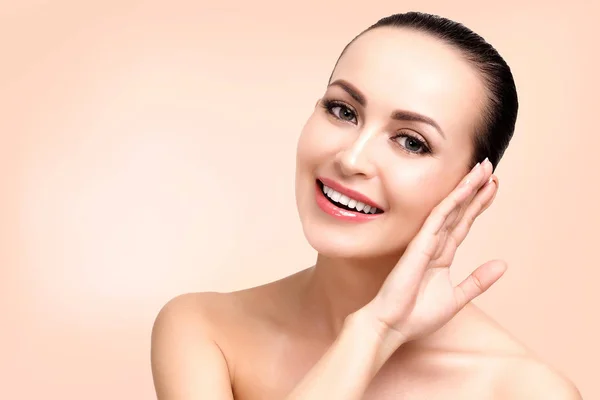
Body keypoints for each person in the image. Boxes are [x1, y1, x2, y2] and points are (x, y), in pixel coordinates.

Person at [150, 11, 582, 399]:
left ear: (471, 188)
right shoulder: (205, 330)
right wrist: (373, 331)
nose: (351, 159)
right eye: (342, 111)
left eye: (411, 142)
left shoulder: (521, 390)